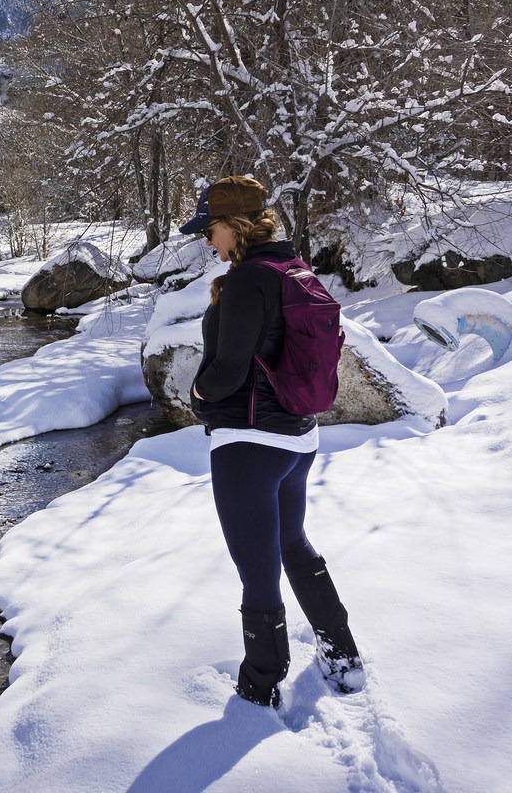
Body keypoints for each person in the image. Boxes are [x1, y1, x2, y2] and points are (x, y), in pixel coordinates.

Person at [178, 175, 364, 707]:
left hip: (248, 441)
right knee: (292, 544)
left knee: (257, 568)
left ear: (233, 226)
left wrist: (197, 389)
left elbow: (229, 369)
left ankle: (260, 686)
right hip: (298, 439)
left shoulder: (247, 281)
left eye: (209, 229)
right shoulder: (293, 268)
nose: (205, 240)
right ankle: (342, 654)